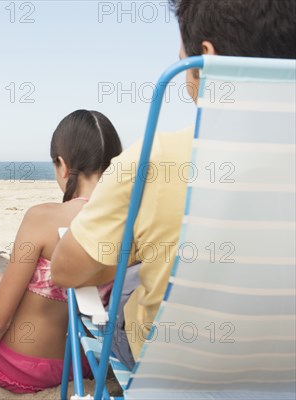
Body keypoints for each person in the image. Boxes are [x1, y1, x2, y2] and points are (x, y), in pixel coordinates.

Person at [50, 0, 296, 371]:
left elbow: (66, 270)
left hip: (172, 367)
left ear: (206, 59)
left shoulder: (156, 159)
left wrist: (138, 250)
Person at [0, 110, 123, 393]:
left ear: (63, 165)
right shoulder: (129, 222)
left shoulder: (43, 218)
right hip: (80, 362)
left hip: (20, 364)